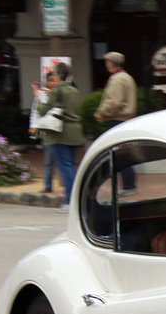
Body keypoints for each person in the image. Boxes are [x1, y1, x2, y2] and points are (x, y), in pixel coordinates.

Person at [33, 63, 83, 212]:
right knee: (71, 167)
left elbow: (43, 110)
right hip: (75, 131)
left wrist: (39, 96)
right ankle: (77, 200)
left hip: (60, 132)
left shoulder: (58, 90)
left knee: (65, 168)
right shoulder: (73, 90)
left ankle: (70, 202)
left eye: (54, 73)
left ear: (58, 75)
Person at [94, 51, 138, 194]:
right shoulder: (127, 77)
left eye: (107, 61)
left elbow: (114, 101)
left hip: (117, 119)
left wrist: (102, 112)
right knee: (124, 153)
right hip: (125, 119)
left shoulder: (117, 79)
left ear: (111, 63)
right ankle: (129, 184)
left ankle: (129, 186)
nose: (106, 64)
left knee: (120, 154)